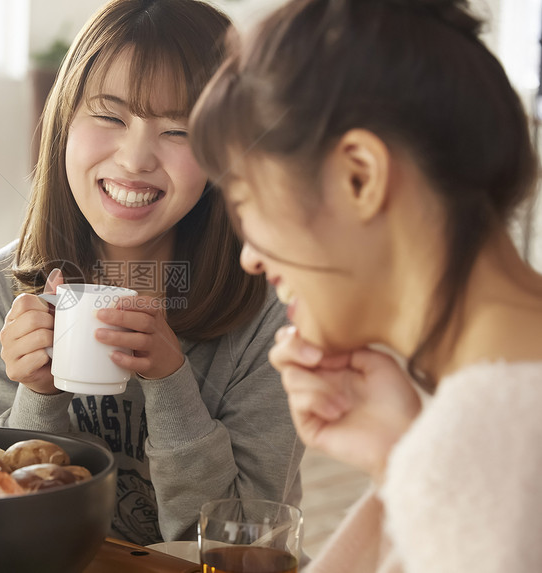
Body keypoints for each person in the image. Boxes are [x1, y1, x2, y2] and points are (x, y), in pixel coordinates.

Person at [190, 0, 542, 571]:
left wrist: (424, 462)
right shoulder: (475, 430)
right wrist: (395, 463)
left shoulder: (482, 442)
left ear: (360, 176)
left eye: (247, 203)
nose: (250, 256)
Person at [0, 0, 303, 547]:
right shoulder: (7, 285)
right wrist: (39, 395)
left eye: (180, 131)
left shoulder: (270, 309)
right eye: (110, 115)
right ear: (64, 121)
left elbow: (243, 546)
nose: (135, 159)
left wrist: (170, 384)